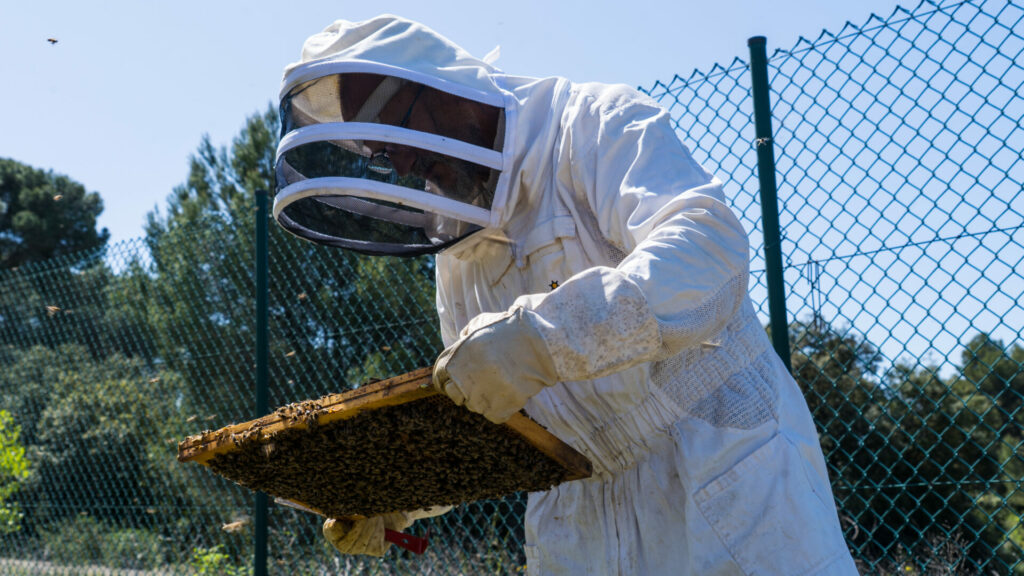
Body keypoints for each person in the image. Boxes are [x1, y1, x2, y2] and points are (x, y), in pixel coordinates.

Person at [274, 15, 859, 575]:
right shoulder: (458, 249)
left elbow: (708, 247)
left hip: (717, 466)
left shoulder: (592, 124)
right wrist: (395, 495)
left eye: (395, 126)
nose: (398, 161)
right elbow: (485, 413)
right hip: (576, 518)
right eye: (378, 153)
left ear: (440, 82)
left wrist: (543, 340)